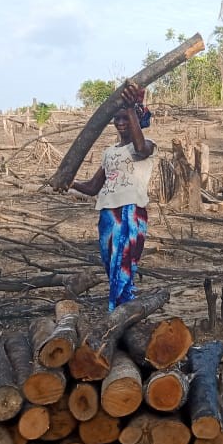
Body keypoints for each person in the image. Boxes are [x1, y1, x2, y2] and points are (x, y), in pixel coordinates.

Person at [70, 84, 156, 311]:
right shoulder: (109, 152)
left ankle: (120, 310)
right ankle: (122, 308)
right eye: (116, 118)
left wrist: (130, 107)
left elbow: (140, 146)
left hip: (130, 212)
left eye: (125, 118)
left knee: (125, 263)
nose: (120, 123)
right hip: (108, 213)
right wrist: (70, 184)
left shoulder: (147, 146)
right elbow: (93, 187)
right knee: (110, 263)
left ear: (136, 117)